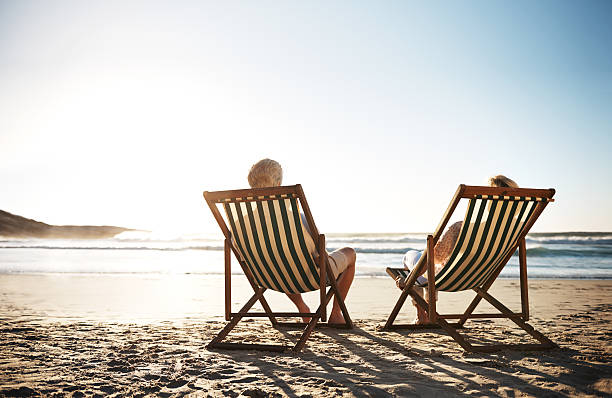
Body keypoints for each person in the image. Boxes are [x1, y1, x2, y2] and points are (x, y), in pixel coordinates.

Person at [246, 159, 356, 324]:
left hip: (269, 278)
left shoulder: (242, 223)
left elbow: (243, 255)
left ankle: (302, 308)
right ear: (279, 183)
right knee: (350, 254)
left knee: (280, 262)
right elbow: (320, 256)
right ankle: (335, 314)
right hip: (307, 277)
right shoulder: (297, 220)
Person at [398, 175, 519, 324]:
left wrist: (408, 281)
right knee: (428, 265)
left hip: (445, 278)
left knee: (412, 256)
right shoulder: (516, 230)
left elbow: (436, 257)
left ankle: (422, 314)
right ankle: (426, 313)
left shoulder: (463, 228)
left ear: (488, 202)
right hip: (477, 277)